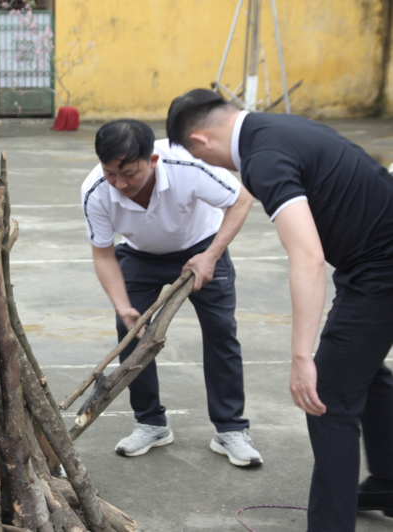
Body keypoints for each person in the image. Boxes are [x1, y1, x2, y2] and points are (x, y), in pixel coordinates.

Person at [166, 88, 393, 531]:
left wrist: (300, 356)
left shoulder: (262, 157)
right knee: (361, 372)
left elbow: (306, 257)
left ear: (200, 142)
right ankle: (388, 482)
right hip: (372, 258)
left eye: (205, 161)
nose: (216, 169)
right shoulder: (277, 129)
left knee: (324, 392)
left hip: (380, 266)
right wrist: (211, 254)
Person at [81, 119, 259, 466]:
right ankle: (150, 424)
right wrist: (123, 307)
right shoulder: (95, 190)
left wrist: (211, 255)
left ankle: (230, 430)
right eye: (110, 173)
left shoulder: (185, 164)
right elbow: (103, 253)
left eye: (129, 173)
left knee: (221, 332)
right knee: (132, 334)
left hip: (201, 246)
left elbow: (241, 200)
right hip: (139, 253)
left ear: (152, 161)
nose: (119, 184)